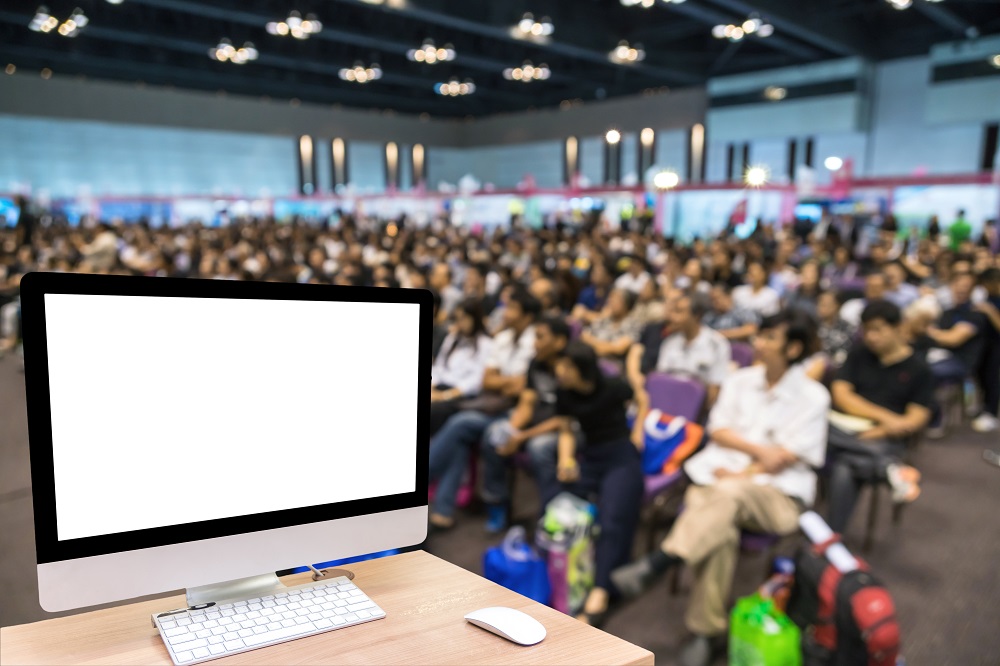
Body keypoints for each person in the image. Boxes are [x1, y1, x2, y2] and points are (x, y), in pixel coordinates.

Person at [611, 311, 829, 666]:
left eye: (769, 338)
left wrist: (746, 468)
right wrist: (759, 454)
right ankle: (705, 631)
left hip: (776, 496)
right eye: (760, 336)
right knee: (721, 532)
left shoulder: (813, 395)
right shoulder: (741, 379)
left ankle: (662, 560)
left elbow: (786, 457)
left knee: (727, 495)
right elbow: (719, 430)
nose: (758, 344)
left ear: (793, 348)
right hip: (717, 482)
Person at [427, 288, 541, 529]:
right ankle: (444, 510)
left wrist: (502, 382)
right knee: (459, 436)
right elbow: (488, 380)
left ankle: (494, 502)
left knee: (467, 426)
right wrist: (505, 382)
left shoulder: (536, 340)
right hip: (491, 405)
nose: (505, 313)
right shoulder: (503, 339)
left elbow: (521, 387)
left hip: (519, 411)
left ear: (527, 316)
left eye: (511, 308)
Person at [552, 341, 645, 627]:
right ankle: (561, 573)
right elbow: (567, 430)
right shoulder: (564, 393)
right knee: (558, 504)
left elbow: (642, 400)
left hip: (620, 455)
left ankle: (601, 590)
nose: (560, 371)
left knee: (613, 517)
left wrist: (638, 433)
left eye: (567, 366)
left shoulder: (613, 386)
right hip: (590, 456)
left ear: (583, 369)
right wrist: (566, 459)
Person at [826, 300, 933, 534]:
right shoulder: (859, 354)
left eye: (877, 329)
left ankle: (830, 539)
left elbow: (915, 419)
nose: (871, 336)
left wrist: (882, 430)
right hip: (845, 428)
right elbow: (842, 396)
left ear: (897, 328)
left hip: (884, 439)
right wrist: (887, 419)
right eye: (866, 330)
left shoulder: (920, 370)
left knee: (846, 467)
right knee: (820, 426)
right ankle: (887, 468)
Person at [479, 317, 570, 532]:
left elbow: (566, 418)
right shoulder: (536, 363)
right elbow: (527, 403)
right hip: (534, 425)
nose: (534, 343)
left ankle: (549, 516)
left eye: (540, 337)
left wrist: (523, 435)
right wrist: (512, 430)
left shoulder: (571, 366)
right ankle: (498, 502)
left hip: (564, 430)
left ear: (559, 341)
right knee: (495, 433)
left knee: (538, 448)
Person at [628, 291, 730, 410]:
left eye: (679, 312)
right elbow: (661, 382)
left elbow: (713, 393)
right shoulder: (670, 342)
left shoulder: (717, 344)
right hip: (666, 405)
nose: (673, 317)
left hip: (695, 411)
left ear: (697, 316)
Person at [924, 271, 988, 437]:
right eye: (958, 285)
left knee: (927, 372)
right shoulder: (947, 312)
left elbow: (953, 339)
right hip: (938, 355)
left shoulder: (976, 314)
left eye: (966, 287)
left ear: (972, 290)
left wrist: (932, 332)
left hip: (961, 363)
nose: (960, 289)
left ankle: (936, 419)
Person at [429, 298, 493, 435]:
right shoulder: (452, 338)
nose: (459, 323)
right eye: (457, 318)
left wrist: (445, 396)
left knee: (432, 410)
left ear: (474, 318)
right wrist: (432, 387)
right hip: (440, 387)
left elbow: (475, 381)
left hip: (461, 396)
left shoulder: (485, 344)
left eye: (464, 318)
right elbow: (439, 367)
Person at [580, 288, 642, 367]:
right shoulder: (604, 319)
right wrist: (602, 347)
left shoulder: (634, 325)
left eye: (616, 299)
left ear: (627, 304)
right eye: (611, 298)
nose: (611, 301)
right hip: (591, 359)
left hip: (614, 365)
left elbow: (618, 349)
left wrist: (595, 344)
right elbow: (584, 336)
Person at [971, 268, 1000, 433]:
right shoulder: (988, 296)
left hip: (997, 345)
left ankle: (991, 413)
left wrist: (990, 311)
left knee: (992, 378)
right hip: (984, 344)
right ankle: (983, 407)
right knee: (981, 375)